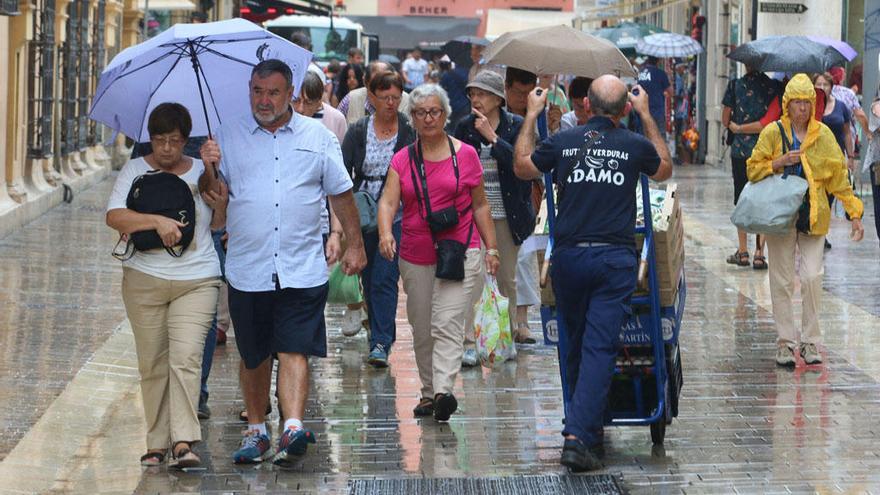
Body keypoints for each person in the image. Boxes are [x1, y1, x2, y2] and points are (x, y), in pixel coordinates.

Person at [199, 59, 367, 465]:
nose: (264, 100)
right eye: (257, 91)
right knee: (254, 354)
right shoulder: (228, 136)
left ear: (290, 93)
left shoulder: (318, 136)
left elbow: (341, 193)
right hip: (248, 266)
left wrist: (353, 244)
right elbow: (214, 205)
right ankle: (257, 429)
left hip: (301, 265)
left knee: (294, 347)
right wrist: (208, 168)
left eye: (273, 92)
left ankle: (291, 426)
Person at [513, 75, 673, 471]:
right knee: (599, 348)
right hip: (613, 261)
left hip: (569, 258)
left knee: (574, 343)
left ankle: (586, 426)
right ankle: (577, 436)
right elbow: (664, 169)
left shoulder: (563, 143)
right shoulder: (635, 145)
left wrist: (531, 117)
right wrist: (648, 115)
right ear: (623, 110)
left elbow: (522, 167)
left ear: (585, 104)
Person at [106, 103, 223, 468]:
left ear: (186, 140)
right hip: (144, 279)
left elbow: (219, 222)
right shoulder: (135, 170)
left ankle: (184, 442)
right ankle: (156, 442)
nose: (167, 148)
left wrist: (212, 167)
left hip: (197, 278)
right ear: (150, 140)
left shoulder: (204, 172)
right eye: (159, 140)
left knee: (185, 358)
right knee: (153, 363)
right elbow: (114, 216)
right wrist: (156, 221)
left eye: (174, 140)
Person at [377, 84, 499, 421]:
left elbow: (481, 207)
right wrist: (386, 233)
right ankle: (429, 392)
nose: (428, 118)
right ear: (412, 118)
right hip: (416, 252)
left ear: (445, 115)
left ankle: (444, 390)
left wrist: (493, 248)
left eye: (434, 111)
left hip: (462, 248)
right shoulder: (402, 159)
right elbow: (389, 201)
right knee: (422, 325)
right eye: (420, 113)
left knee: (447, 322)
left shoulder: (466, 155)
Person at [747, 73, 864, 367]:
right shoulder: (773, 133)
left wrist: (855, 214)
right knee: (782, 280)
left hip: (814, 217)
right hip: (781, 218)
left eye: (806, 102)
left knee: (813, 277)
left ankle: (811, 341)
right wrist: (780, 162)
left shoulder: (823, 136)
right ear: (787, 103)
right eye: (796, 102)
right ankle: (785, 343)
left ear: (814, 104)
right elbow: (752, 169)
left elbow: (839, 177)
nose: (802, 108)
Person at [453, 70, 534, 367]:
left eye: (482, 94)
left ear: (498, 99)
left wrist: (493, 137)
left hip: (507, 214)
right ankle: (470, 341)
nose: (476, 99)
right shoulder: (463, 127)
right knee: (471, 279)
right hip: (472, 213)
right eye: (472, 93)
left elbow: (522, 166)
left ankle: (505, 338)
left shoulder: (518, 125)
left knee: (506, 279)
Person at [341, 71, 416, 367]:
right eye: (384, 97)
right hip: (363, 212)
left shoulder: (409, 131)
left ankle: (381, 341)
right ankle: (378, 331)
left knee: (385, 277)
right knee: (369, 277)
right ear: (371, 97)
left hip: (399, 213)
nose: (390, 103)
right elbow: (342, 171)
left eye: (396, 98)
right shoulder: (359, 131)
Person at [722, 64, 782, 270]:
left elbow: (724, 119)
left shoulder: (734, 85)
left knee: (742, 198)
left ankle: (742, 251)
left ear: (744, 63)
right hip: (765, 150)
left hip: (740, 151)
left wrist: (736, 127)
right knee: (763, 199)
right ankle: (759, 253)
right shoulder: (773, 87)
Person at [504, 66, 542, 343]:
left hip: (524, 195)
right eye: (518, 93)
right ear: (506, 89)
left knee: (525, 256)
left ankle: (522, 320)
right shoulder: (493, 116)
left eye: (528, 93)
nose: (523, 99)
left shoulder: (537, 112)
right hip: (494, 194)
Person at [339, 60, 411, 125]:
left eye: (385, 85)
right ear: (365, 82)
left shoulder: (407, 102)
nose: (380, 92)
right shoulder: (351, 98)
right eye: (374, 85)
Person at [637, 56, 672, 138]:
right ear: (658, 61)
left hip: (643, 111)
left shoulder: (641, 73)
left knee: (644, 137)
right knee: (659, 137)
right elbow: (670, 92)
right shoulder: (660, 73)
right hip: (657, 112)